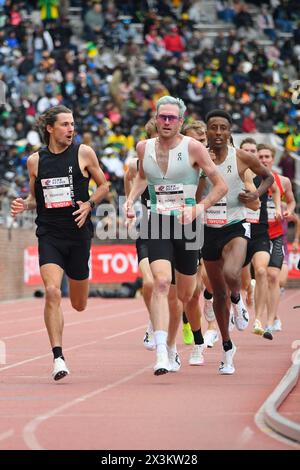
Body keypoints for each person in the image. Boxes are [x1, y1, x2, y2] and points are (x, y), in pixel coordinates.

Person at [125, 96, 227, 375]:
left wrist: (199, 209)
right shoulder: (143, 146)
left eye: (172, 118)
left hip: (188, 224)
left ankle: (182, 344)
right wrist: (131, 199)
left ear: (180, 121)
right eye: (162, 117)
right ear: (156, 119)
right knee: (160, 283)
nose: (167, 122)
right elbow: (143, 177)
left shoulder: (193, 147)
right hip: (158, 221)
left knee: (186, 296)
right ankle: (161, 351)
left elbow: (219, 185)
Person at [11, 105, 109, 381]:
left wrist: (89, 204)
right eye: (65, 124)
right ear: (50, 128)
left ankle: (77, 296)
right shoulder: (35, 161)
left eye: (73, 124)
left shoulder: (83, 153)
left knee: (78, 304)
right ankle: (58, 357)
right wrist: (23, 204)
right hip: (50, 234)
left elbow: (104, 186)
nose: (71, 129)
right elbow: (35, 199)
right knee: (52, 291)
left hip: (78, 235)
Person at [202, 110, 274, 375]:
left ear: (230, 131)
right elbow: (193, 193)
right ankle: (227, 348)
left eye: (223, 128)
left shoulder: (240, 157)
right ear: (207, 132)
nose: (218, 133)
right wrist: (200, 173)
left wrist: (255, 193)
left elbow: (268, 176)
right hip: (208, 228)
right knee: (216, 292)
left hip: (235, 225)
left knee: (232, 273)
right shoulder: (198, 158)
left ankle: (238, 299)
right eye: (213, 128)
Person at [240, 138, 281, 340]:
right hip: (238, 229)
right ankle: (246, 293)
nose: (250, 153)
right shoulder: (234, 174)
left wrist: (280, 208)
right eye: (245, 150)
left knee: (263, 270)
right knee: (237, 275)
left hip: (260, 231)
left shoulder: (265, 176)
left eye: (253, 151)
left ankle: (258, 320)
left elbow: (276, 192)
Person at [257, 144, 296, 333]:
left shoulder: (284, 181)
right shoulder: (251, 179)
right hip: (257, 233)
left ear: (273, 159)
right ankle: (264, 314)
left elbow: (291, 200)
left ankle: (271, 320)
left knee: (273, 276)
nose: (264, 160)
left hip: (276, 233)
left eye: (267, 157)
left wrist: (289, 210)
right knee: (260, 276)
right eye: (260, 156)